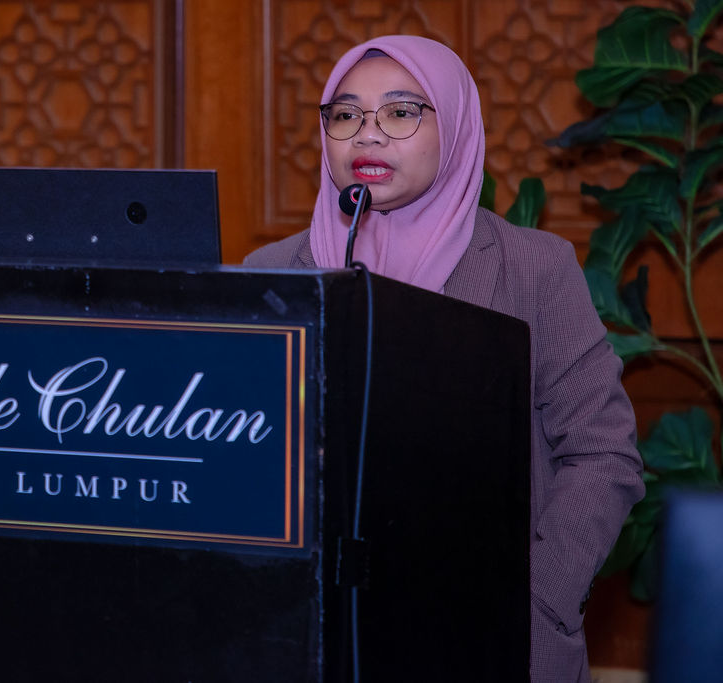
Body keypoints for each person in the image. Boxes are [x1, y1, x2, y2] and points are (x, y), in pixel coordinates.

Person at [244, 35, 645, 682]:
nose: (367, 134)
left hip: (486, 634)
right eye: (345, 114)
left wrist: (536, 600)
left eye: (401, 112)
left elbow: (603, 452)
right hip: (307, 635)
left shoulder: (533, 269)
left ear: (454, 128)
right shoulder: (272, 272)